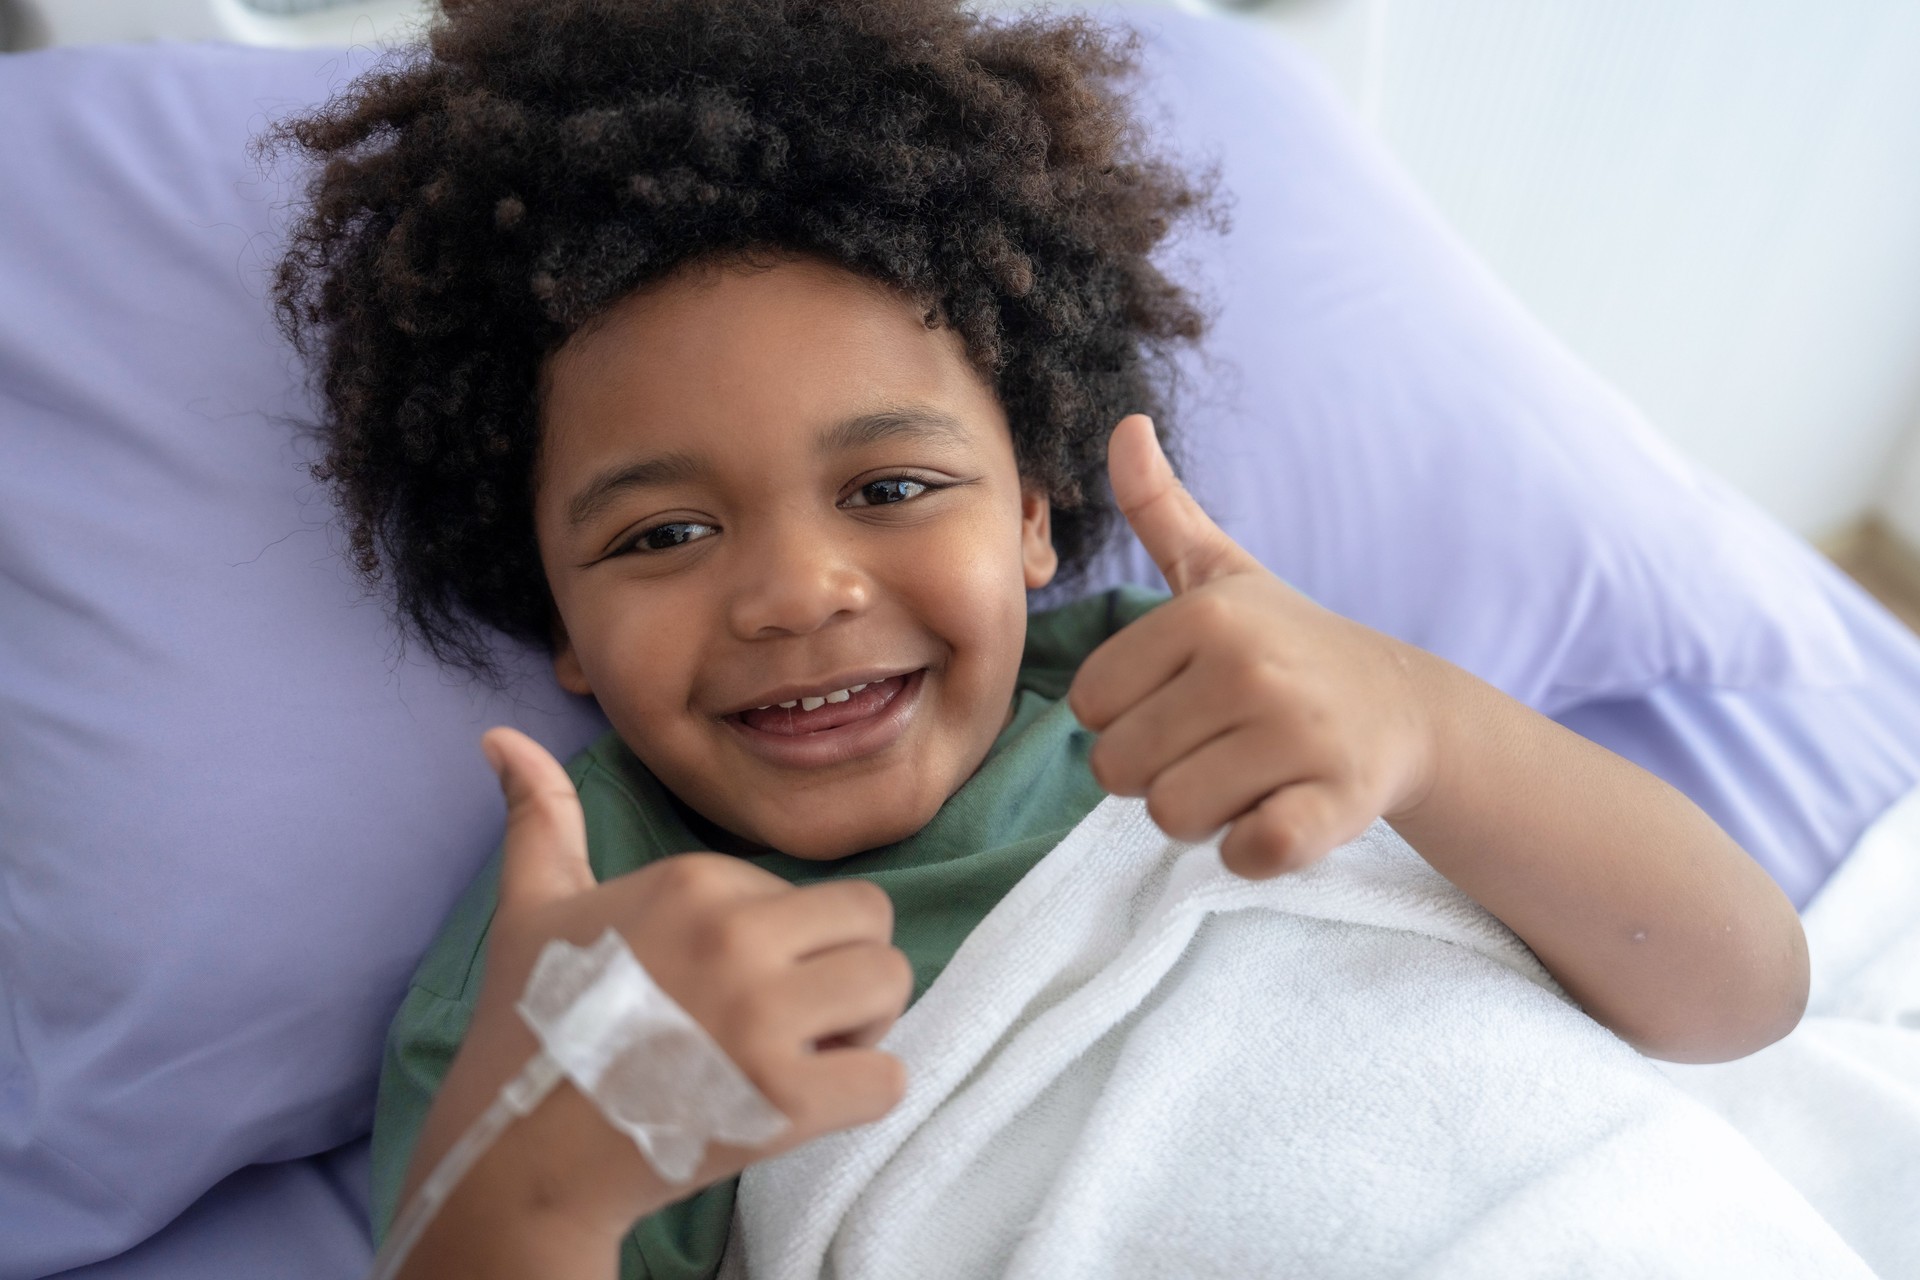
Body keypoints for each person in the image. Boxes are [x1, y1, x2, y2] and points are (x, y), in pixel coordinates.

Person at [268, 0, 1809, 1275]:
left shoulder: (1220, 683)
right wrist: (540, 1191)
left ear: (1034, 517)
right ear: (563, 626)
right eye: (663, 535)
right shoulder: (597, 930)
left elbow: (1740, 993)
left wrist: (1427, 727)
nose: (797, 593)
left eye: (891, 486)